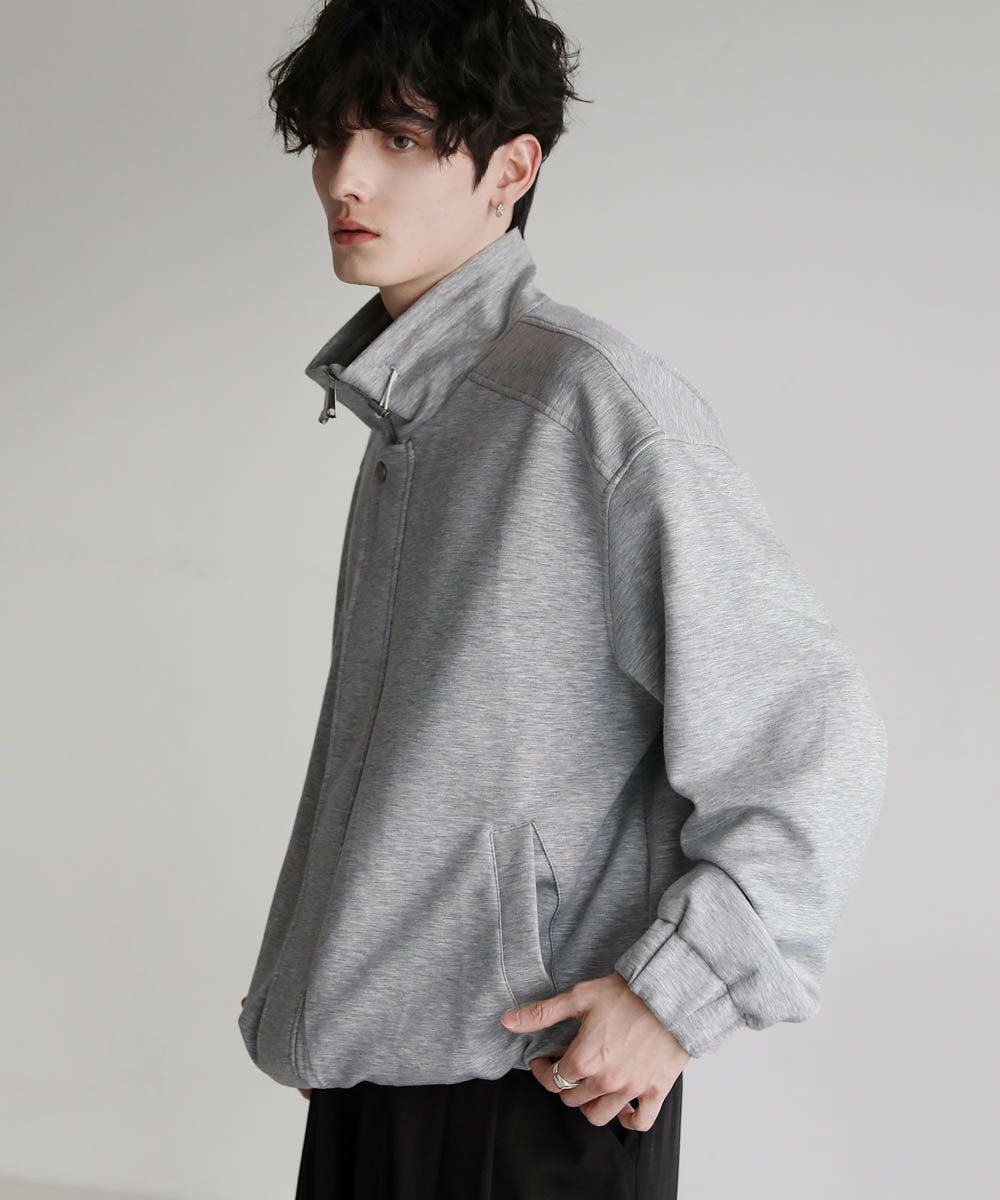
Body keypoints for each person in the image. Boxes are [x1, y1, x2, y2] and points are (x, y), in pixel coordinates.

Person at [237, 2, 889, 1197]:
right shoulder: (412, 421)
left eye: (398, 138)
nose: (344, 177)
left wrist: (678, 993)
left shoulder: (583, 405)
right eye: (330, 138)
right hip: (379, 1082)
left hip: (529, 1101)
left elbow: (814, 731)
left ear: (511, 169)